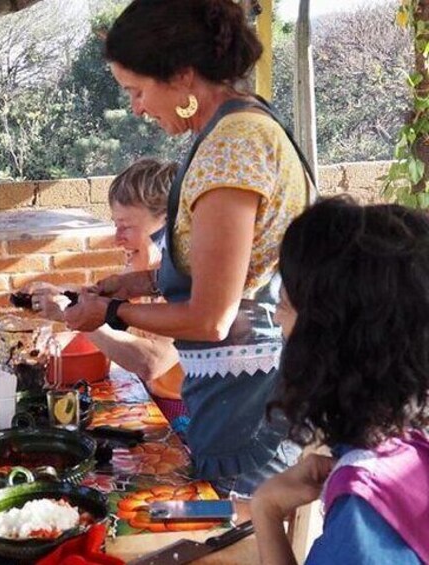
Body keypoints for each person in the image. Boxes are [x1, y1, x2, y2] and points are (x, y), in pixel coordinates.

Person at [62, 0, 315, 497]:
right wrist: (139, 281)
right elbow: (227, 267)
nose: (135, 107)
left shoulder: (233, 146)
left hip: (250, 400)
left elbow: (210, 318)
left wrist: (112, 310)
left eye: (137, 90)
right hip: (235, 392)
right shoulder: (233, 130)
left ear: (180, 76)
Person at [252, 198, 429, 564]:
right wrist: (266, 507)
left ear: (324, 342)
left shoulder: (361, 522)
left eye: (284, 305)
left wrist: (266, 512)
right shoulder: (409, 448)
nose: (278, 324)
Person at [34, 158, 188, 428]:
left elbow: (152, 362)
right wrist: (70, 299)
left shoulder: (185, 279)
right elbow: (114, 317)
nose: (117, 239)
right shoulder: (149, 275)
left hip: (187, 418)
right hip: (155, 405)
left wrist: (72, 316)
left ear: (167, 223)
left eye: (126, 226)